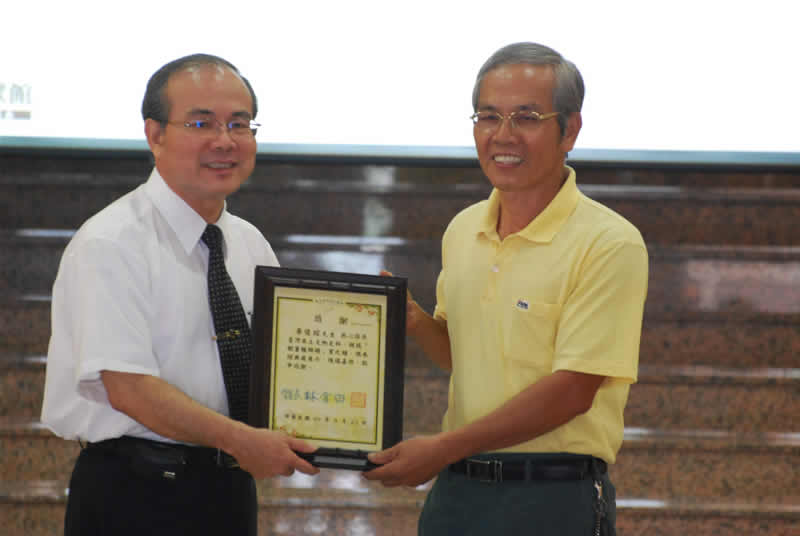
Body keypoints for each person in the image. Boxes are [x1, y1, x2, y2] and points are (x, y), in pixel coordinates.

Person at [364, 42, 649, 535]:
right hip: (457, 493)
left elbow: (572, 392)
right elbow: (462, 353)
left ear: (571, 130)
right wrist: (416, 322)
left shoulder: (609, 242)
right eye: (488, 116)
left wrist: (441, 448)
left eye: (527, 117)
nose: (502, 135)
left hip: (553, 498)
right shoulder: (463, 228)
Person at [40, 54, 319, 536]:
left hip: (226, 491)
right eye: (200, 122)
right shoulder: (111, 241)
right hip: (135, 495)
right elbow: (128, 388)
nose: (225, 141)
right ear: (154, 134)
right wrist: (243, 440)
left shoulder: (250, 244)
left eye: (239, 124)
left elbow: (278, 369)